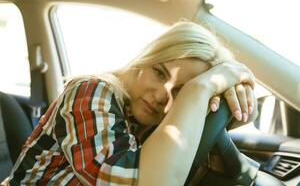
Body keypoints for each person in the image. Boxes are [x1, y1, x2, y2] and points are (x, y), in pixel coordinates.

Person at [5, 20, 257, 185]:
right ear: (143, 60)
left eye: (180, 91)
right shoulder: (91, 91)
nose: (161, 95)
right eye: (159, 72)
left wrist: (231, 110)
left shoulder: (156, 125)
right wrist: (199, 88)